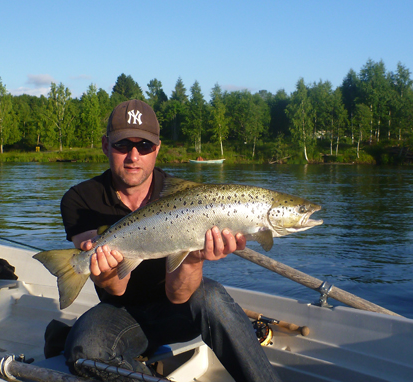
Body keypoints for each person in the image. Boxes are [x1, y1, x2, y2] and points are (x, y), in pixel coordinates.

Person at [60, 99, 281, 382]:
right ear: (106, 146)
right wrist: (97, 266)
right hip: (119, 313)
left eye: (145, 146)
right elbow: (115, 288)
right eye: (123, 145)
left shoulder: (184, 197)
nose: (134, 156)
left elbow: (179, 295)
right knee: (83, 350)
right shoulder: (80, 200)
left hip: (180, 310)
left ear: (157, 149)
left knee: (212, 297)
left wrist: (195, 257)